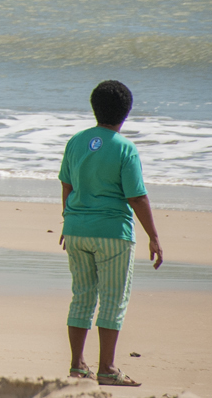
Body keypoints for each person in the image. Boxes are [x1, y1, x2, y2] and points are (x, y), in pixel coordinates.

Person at [58, 80, 162, 387]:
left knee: (82, 296)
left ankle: (78, 366)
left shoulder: (76, 141)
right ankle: (107, 368)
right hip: (113, 233)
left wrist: (68, 219)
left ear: (94, 108)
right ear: (126, 113)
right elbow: (137, 197)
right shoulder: (124, 147)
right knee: (113, 299)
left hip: (76, 230)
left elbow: (66, 184)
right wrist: (154, 237)